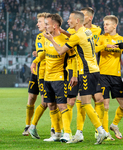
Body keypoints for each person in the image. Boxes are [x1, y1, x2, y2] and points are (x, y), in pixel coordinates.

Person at [43, 11, 108, 145]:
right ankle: (79, 133)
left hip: (86, 72)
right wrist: (64, 32)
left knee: (85, 103)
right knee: (80, 101)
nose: (68, 21)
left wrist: (51, 40)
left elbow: (61, 51)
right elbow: (74, 37)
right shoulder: (86, 32)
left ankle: (101, 131)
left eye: (70, 19)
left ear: (77, 21)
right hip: (94, 70)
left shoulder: (77, 36)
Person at [31, 13, 78, 142]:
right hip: (47, 77)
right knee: (51, 105)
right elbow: (44, 54)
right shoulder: (46, 37)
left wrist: (74, 75)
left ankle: (67, 133)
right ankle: (57, 134)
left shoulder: (65, 39)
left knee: (62, 106)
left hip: (60, 77)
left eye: (47, 24)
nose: (45, 26)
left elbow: (73, 59)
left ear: (55, 25)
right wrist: (35, 61)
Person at [95, 15, 123, 140]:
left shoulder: (122, 39)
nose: (105, 26)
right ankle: (104, 132)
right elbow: (94, 49)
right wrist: (105, 46)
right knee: (105, 104)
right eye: (104, 24)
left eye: (107, 24)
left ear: (115, 25)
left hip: (116, 76)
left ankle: (114, 125)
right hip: (102, 74)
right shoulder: (102, 38)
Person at [22, 12, 49, 137]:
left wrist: (38, 56)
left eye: (40, 21)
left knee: (48, 101)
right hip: (36, 71)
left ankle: (53, 128)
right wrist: (37, 54)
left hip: (47, 72)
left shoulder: (53, 36)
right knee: (31, 98)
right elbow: (41, 52)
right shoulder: (39, 36)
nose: (37, 24)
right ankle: (27, 126)